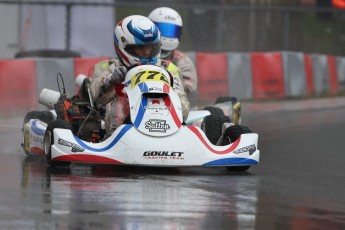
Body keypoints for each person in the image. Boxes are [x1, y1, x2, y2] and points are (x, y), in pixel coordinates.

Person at [88, 15, 190, 136]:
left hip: (166, 122)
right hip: (122, 129)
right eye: (140, 48)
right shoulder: (107, 67)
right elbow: (94, 99)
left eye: (151, 47)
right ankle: (117, 137)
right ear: (124, 47)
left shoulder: (169, 69)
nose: (147, 52)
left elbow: (184, 109)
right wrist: (110, 82)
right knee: (120, 102)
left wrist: (170, 85)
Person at [148, 7, 198, 98]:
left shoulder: (183, 61)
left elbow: (187, 89)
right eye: (163, 29)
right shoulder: (139, 53)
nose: (167, 35)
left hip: (171, 102)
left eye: (171, 30)